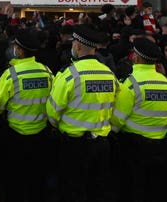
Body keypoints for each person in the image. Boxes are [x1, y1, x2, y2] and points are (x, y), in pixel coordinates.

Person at [46, 24, 118, 202]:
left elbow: (53, 111)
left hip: (74, 145)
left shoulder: (69, 75)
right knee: (97, 189)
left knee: (73, 189)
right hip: (101, 143)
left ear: (77, 46)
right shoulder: (109, 75)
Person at [111, 39, 167, 202]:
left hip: (134, 148)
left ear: (136, 58)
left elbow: (117, 120)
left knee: (135, 189)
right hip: (161, 145)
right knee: (155, 190)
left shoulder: (131, 84)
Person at [0, 29, 53, 202]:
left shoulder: (10, 75)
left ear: (19, 50)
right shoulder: (47, 72)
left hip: (16, 137)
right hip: (42, 135)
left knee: (15, 182)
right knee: (38, 180)